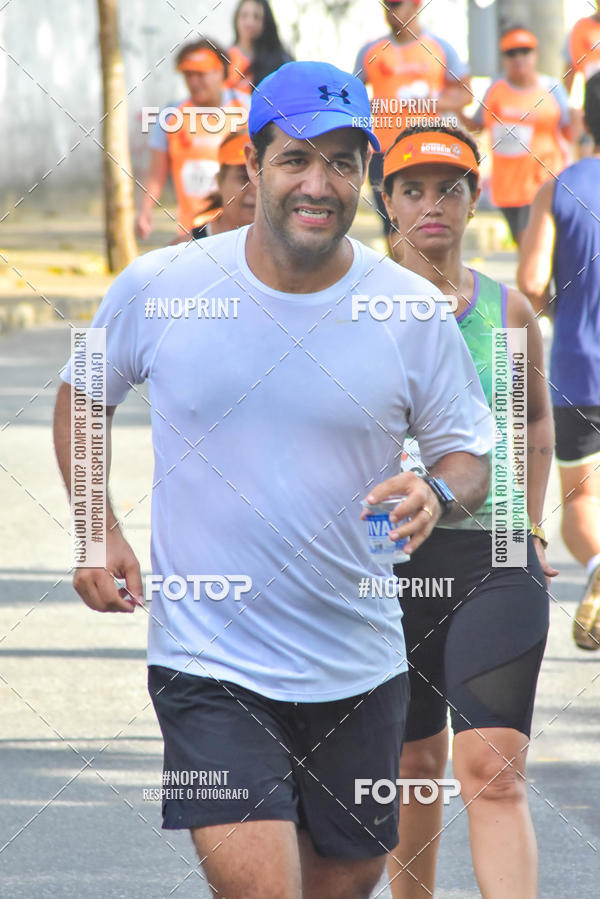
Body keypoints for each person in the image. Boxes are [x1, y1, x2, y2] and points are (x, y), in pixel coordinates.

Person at [54, 61, 494, 898]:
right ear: (251, 167)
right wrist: (92, 526)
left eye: (342, 161)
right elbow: (81, 397)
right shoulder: (163, 286)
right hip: (206, 666)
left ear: (363, 175)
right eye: (296, 158)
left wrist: (436, 493)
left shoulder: (404, 310)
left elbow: (468, 452)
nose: (319, 184)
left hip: (362, 667)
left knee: (343, 884)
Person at [381, 124, 556, 898]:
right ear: (385, 202)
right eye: (411, 189)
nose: (431, 205)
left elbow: (535, 424)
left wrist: (535, 524)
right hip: (386, 566)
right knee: (412, 763)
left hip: (496, 557)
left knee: (491, 766)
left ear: (475, 198)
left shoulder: (509, 311)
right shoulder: (350, 307)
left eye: (449, 188)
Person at [518, 71, 600, 652]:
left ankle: (598, 565)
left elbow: (527, 281)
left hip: (578, 369)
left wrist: (561, 308)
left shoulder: (560, 187)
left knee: (584, 500)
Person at [354, 0, 470, 233]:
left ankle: (424, 269)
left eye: (396, 4)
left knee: (427, 221)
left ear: (416, 5)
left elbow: (466, 94)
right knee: (392, 223)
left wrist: (428, 102)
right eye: (386, 5)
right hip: (383, 151)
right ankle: (399, 269)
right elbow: (351, 95)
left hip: (427, 147)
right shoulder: (371, 51)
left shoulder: (439, 47)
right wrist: (374, 106)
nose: (390, 11)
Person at [136, 39, 249, 241]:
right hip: (192, 231)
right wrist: (145, 209)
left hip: (238, 231)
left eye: (201, 74)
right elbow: (156, 174)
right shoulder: (171, 116)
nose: (194, 82)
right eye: (188, 75)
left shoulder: (247, 109)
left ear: (221, 72)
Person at [470, 26, 571, 248]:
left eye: (525, 51)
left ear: (535, 54)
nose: (519, 58)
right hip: (506, 188)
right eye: (512, 52)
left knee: (534, 247)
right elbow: (475, 125)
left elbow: (571, 130)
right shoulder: (495, 90)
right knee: (524, 246)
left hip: (541, 185)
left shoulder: (552, 88)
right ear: (504, 57)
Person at [183, 130, 257, 240]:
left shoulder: (287, 249)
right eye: (244, 177)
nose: (255, 188)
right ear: (220, 181)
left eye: (262, 177)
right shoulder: (186, 249)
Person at [226, 0, 292, 94]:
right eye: (244, 15)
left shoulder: (278, 60)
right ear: (236, 18)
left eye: (256, 17)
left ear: (265, 22)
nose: (250, 22)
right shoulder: (226, 59)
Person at [564, 1, 600, 154]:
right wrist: (569, 108)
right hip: (592, 101)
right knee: (590, 150)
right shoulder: (581, 28)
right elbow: (570, 70)